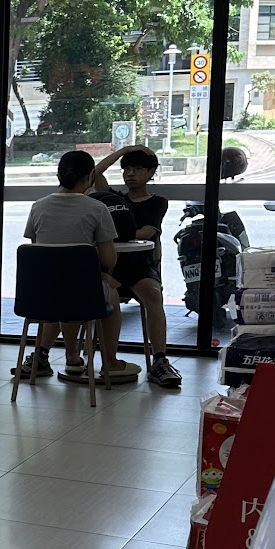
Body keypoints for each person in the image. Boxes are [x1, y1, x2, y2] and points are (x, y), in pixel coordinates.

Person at [14, 150, 138, 382]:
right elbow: (109, 260)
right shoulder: (97, 209)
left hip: (40, 297)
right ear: (90, 176)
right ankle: (110, 362)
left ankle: (71, 357)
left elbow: (38, 249)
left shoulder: (38, 207)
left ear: (59, 175)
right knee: (109, 293)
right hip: (82, 296)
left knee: (62, 288)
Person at [93, 145, 181, 389]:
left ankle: (160, 361)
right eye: (127, 169)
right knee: (101, 295)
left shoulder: (157, 202)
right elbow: (94, 175)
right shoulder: (114, 199)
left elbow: (146, 233)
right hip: (112, 267)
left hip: (140, 268)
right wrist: (125, 150)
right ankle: (106, 360)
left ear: (151, 173)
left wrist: (113, 233)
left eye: (138, 169)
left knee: (153, 294)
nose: (130, 174)